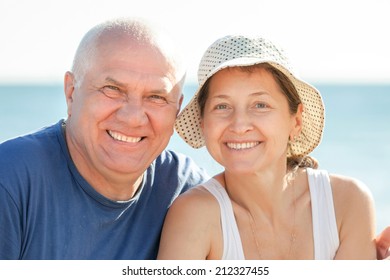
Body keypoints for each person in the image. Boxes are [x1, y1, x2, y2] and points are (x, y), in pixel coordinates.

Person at [0, 18, 209, 259]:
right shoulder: (11, 181)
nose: (133, 118)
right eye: (113, 90)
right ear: (71, 93)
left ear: (177, 108)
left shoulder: (187, 193)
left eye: (156, 97)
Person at [157, 35, 378, 260]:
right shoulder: (194, 215)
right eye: (222, 106)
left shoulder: (347, 203)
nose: (239, 125)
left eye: (260, 105)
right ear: (203, 124)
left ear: (296, 121)